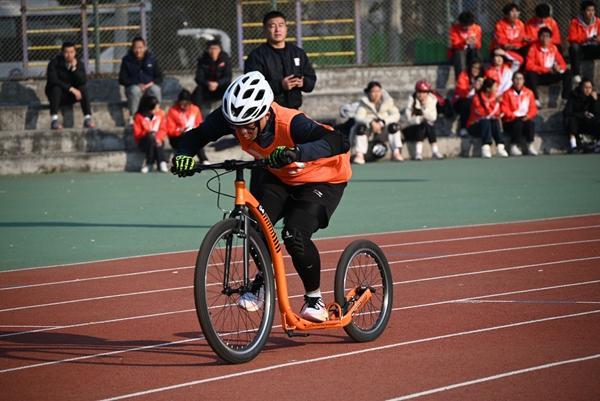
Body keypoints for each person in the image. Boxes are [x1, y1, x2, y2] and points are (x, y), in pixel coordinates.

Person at [171, 71, 351, 323]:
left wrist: (296, 152)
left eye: (248, 126)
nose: (242, 133)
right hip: (279, 175)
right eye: (236, 127)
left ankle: (315, 300)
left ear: (265, 114)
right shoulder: (234, 117)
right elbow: (197, 136)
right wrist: (183, 155)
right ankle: (264, 279)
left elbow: (339, 141)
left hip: (322, 177)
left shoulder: (291, 123)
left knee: (295, 234)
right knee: (253, 226)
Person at [244, 10, 317, 110]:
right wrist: (280, 85)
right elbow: (253, 88)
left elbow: (311, 79)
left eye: (281, 25)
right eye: (272, 26)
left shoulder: (297, 53)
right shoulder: (256, 56)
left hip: (294, 110)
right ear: (265, 30)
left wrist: (303, 83)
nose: (277, 30)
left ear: (286, 29)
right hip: (268, 111)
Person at [45, 41, 94, 130]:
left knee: (83, 88)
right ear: (62, 53)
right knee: (56, 88)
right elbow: (53, 80)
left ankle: (87, 118)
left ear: (75, 53)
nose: (69, 55)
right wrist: (71, 89)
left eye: (71, 52)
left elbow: (83, 81)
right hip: (57, 96)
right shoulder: (54, 63)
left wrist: (74, 69)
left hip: (72, 96)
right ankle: (54, 120)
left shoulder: (79, 64)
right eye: (66, 52)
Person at [352, 81, 402, 164]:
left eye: (378, 91)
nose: (376, 94)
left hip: (384, 131)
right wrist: (371, 122)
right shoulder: (364, 103)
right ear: (368, 92)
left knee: (394, 126)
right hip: (369, 132)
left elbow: (396, 115)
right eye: (373, 91)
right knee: (360, 128)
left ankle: (396, 153)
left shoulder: (388, 101)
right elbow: (358, 117)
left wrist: (382, 122)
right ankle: (359, 155)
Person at [119, 36, 163, 122]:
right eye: (135, 48)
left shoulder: (152, 59)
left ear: (145, 48)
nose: (138, 51)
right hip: (134, 88)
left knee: (155, 89)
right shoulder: (126, 60)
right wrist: (136, 84)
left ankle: (156, 115)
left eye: (140, 48)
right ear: (132, 48)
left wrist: (150, 84)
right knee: (134, 90)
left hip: (149, 87)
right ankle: (134, 117)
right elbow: (122, 79)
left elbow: (159, 77)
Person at [525, 27, 573, 107]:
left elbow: (563, 64)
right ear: (539, 37)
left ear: (550, 38)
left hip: (552, 74)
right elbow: (529, 65)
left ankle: (565, 98)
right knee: (530, 74)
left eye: (547, 36)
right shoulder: (533, 48)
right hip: (540, 76)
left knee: (568, 72)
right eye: (542, 36)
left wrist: (559, 68)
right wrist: (545, 69)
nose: (545, 39)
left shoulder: (554, 48)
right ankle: (536, 99)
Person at [467, 77, 509, 158]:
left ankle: (500, 146)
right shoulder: (477, 98)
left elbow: (499, 113)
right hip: (475, 125)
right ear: (488, 89)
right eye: (495, 87)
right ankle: (485, 147)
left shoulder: (496, 98)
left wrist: (498, 104)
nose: (496, 89)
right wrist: (495, 106)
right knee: (486, 120)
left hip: (489, 125)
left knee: (494, 121)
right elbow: (482, 113)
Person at [403, 80, 444, 160]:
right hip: (410, 129)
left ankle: (425, 152)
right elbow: (409, 119)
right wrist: (421, 118)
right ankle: (428, 151)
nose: (421, 94)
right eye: (419, 91)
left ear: (428, 93)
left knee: (427, 124)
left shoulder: (432, 99)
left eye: (424, 92)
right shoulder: (412, 100)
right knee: (424, 124)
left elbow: (433, 117)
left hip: (425, 129)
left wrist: (423, 108)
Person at [501, 71, 539, 156]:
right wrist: (513, 115)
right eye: (516, 79)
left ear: (524, 81)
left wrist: (528, 116)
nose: (518, 81)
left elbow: (533, 108)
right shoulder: (507, 93)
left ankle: (530, 145)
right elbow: (504, 108)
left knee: (530, 124)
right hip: (510, 120)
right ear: (512, 80)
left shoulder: (529, 93)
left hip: (524, 118)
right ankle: (513, 145)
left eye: (520, 79)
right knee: (518, 123)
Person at [166, 89, 207, 164]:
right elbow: (169, 130)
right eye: (180, 104)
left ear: (190, 103)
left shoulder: (195, 109)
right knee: (190, 139)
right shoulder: (172, 110)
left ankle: (204, 159)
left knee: (195, 138)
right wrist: (179, 130)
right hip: (177, 137)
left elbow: (199, 124)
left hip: (192, 134)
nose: (182, 106)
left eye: (185, 104)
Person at [192, 39, 232, 113]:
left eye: (215, 48)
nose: (213, 51)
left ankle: (229, 112)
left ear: (220, 49)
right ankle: (197, 114)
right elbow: (198, 77)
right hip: (207, 87)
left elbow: (228, 77)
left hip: (221, 87)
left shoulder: (225, 59)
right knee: (197, 93)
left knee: (230, 90)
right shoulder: (203, 60)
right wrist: (208, 83)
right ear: (207, 50)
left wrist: (218, 83)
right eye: (211, 49)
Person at [563, 78, 600, 152]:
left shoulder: (594, 97)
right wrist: (583, 114)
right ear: (581, 88)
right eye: (586, 87)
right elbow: (567, 112)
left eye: (590, 88)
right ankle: (573, 145)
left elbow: (597, 112)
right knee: (570, 120)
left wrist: (595, 101)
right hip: (578, 123)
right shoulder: (574, 96)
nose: (588, 90)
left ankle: (598, 144)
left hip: (590, 122)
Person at [133, 95, 168, 173]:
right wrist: (148, 133)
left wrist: (158, 138)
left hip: (158, 140)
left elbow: (163, 129)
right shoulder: (138, 117)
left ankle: (157, 162)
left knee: (156, 141)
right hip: (144, 141)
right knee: (151, 137)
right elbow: (137, 133)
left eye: (158, 107)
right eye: (155, 108)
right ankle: (155, 162)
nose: (157, 110)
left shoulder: (161, 114)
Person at [568, 1, 600, 83]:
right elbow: (572, 38)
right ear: (583, 11)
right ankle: (576, 74)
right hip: (581, 49)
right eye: (588, 10)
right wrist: (586, 38)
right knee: (574, 47)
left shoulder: (598, 21)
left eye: (593, 10)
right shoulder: (575, 22)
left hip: (593, 48)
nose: (591, 13)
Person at [452, 58, 484, 137]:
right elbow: (461, 92)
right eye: (474, 67)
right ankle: (463, 128)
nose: (476, 70)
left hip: (474, 102)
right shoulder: (463, 75)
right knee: (467, 103)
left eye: (478, 68)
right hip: (460, 101)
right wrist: (472, 86)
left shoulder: (482, 78)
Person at [448, 11, 482, 79]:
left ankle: (477, 78)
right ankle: (461, 80)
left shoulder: (477, 28)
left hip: (471, 50)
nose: (468, 28)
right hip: (459, 52)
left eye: (469, 25)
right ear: (460, 23)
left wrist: (475, 42)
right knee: (459, 53)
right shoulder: (454, 29)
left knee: (476, 52)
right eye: (465, 26)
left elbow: (479, 45)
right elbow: (454, 45)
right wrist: (464, 42)